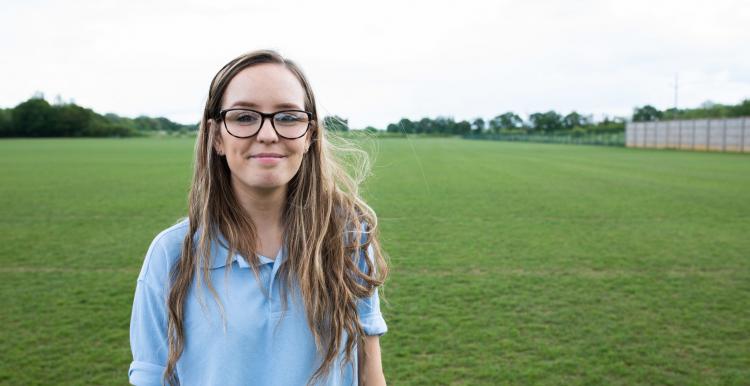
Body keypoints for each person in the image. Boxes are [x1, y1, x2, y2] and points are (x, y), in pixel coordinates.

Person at [128, 49, 389, 386]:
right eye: (244, 117)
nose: (268, 134)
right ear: (216, 136)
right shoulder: (172, 254)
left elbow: (370, 375)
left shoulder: (348, 237)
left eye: (288, 117)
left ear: (310, 135)